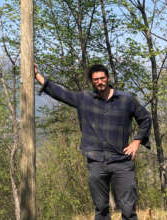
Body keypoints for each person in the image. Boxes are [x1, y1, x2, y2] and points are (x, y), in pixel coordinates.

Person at [34, 63, 151, 220]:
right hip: (96, 161)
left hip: (122, 160)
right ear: (92, 81)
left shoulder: (126, 100)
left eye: (102, 78)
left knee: (128, 209)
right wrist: (37, 76)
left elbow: (145, 118)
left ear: (108, 78)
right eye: (96, 79)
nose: (100, 82)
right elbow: (61, 93)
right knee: (101, 208)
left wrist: (137, 141)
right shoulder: (85, 99)